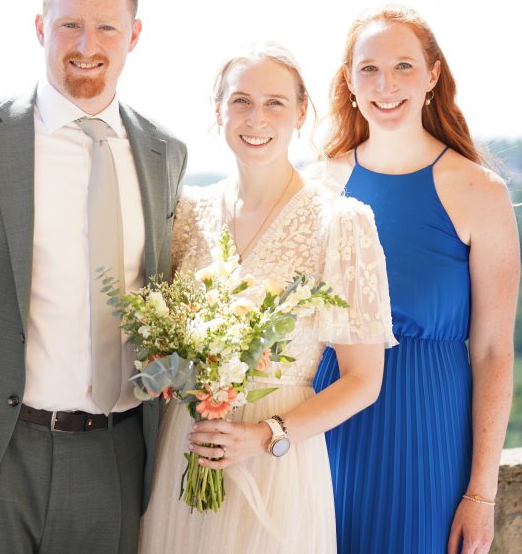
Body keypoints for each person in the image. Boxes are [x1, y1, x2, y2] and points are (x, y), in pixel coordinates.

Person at [0, 0, 188, 553]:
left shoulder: (164, 154)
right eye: (70, 24)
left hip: (114, 456)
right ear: (42, 28)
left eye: (106, 26)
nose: (87, 43)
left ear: (134, 35)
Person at [139, 43, 397, 553]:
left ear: (302, 112)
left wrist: (265, 435)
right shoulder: (186, 212)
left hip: (279, 459)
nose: (257, 118)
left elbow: (364, 382)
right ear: (218, 111)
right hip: (188, 446)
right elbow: (158, 344)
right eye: (241, 101)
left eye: (276, 103)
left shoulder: (341, 223)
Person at [311, 5, 520, 554]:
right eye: (369, 69)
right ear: (349, 82)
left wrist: (481, 494)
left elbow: (495, 352)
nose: (386, 85)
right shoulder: (318, 185)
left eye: (403, 66)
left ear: (432, 75)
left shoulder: (481, 192)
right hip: (323, 430)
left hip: (427, 435)